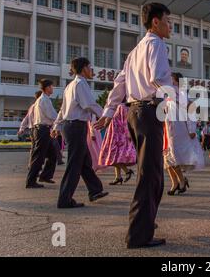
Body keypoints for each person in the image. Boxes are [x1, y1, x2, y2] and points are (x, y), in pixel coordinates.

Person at [95, 3, 172, 249]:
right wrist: (182, 102)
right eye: (168, 21)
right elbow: (159, 78)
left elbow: (119, 84)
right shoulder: (156, 45)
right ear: (156, 22)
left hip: (134, 113)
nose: (171, 26)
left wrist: (108, 111)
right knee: (150, 175)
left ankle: (145, 223)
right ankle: (138, 234)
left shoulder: (135, 50)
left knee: (151, 174)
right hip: (149, 112)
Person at [52, 58, 109, 208]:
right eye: (90, 67)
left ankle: (95, 190)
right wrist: (106, 116)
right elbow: (89, 104)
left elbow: (62, 110)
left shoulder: (70, 86)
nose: (92, 70)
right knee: (75, 164)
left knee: (84, 162)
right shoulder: (81, 84)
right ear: (84, 68)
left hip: (71, 126)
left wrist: (56, 127)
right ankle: (64, 200)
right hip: (76, 126)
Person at [163, 73, 204, 195]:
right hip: (168, 129)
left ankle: (180, 181)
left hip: (179, 130)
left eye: (172, 80)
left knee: (173, 157)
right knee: (166, 158)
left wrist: (191, 129)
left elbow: (190, 112)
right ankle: (175, 182)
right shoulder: (169, 95)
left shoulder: (182, 95)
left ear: (177, 82)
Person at [26, 80, 58, 188]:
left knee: (53, 155)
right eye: (51, 86)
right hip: (42, 130)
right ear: (47, 88)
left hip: (44, 130)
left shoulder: (44, 99)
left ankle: (45, 176)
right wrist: (61, 119)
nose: (53, 88)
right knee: (38, 157)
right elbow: (52, 115)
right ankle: (31, 181)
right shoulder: (44, 100)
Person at [98, 103, 136, 185]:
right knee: (116, 156)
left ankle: (127, 171)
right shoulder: (114, 107)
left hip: (118, 135)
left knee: (113, 156)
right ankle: (118, 177)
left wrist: (128, 133)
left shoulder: (121, 106)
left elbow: (125, 121)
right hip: (113, 134)